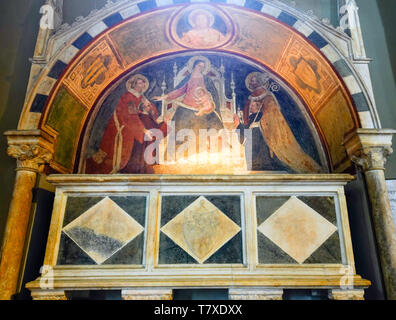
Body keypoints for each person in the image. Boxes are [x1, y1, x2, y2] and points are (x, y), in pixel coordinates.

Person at [235, 72, 323, 173]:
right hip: (253, 152)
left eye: (254, 80)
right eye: (251, 80)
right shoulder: (250, 104)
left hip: (265, 137)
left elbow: (272, 114)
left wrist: (260, 122)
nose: (251, 107)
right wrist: (240, 125)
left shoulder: (267, 97)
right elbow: (245, 130)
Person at [86, 74, 168, 174]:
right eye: (139, 83)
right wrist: (143, 130)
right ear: (133, 85)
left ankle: (144, 166)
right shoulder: (128, 97)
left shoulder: (142, 97)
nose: (142, 85)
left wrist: (150, 109)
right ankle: (131, 167)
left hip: (137, 126)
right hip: (126, 127)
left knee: (149, 127)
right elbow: (130, 116)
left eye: (143, 83)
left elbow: (150, 110)